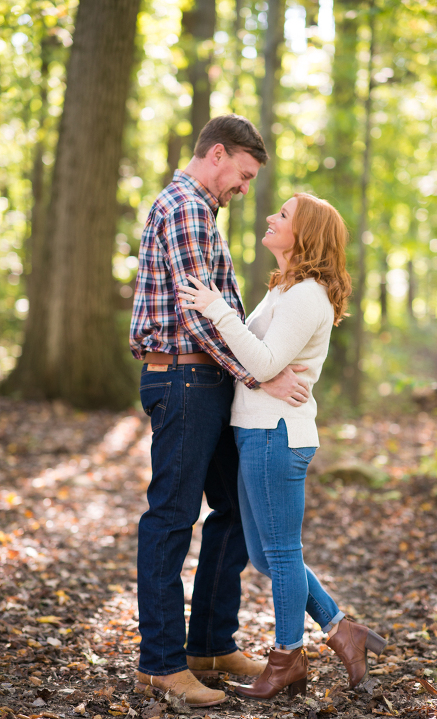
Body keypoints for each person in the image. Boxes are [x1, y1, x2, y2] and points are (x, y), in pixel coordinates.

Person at [129, 115, 311, 708]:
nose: (244, 189)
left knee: (234, 507)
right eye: (244, 174)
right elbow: (195, 316)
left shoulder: (202, 210)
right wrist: (258, 372)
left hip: (205, 381)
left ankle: (209, 642)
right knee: (172, 518)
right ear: (218, 153)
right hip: (183, 377)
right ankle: (160, 662)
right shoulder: (185, 206)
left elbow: (220, 309)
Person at [177, 192, 388, 699]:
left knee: (280, 553)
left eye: (283, 215)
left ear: (305, 235)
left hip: (277, 435)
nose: (271, 217)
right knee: (269, 558)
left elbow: (266, 363)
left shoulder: (306, 296)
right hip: (257, 431)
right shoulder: (283, 290)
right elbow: (254, 361)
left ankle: (287, 658)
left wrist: (219, 310)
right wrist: (231, 325)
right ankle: (341, 629)